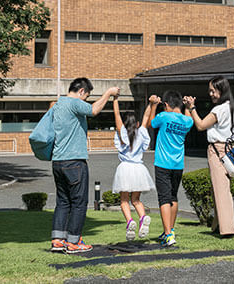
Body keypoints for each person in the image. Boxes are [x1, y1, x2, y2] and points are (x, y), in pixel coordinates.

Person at [50, 78, 120, 254]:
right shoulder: (74, 103)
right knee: (79, 203)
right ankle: (73, 242)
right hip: (74, 161)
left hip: (58, 161)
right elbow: (94, 110)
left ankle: (58, 240)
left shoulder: (58, 104)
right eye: (86, 96)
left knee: (63, 202)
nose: (86, 100)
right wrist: (109, 93)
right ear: (81, 91)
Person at [184, 76, 234, 238]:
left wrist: (191, 108)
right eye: (210, 91)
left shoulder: (219, 109)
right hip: (229, 149)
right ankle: (218, 225)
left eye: (213, 91)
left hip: (217, 150)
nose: (211, 94)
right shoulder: (230, 107)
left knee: (221, 190)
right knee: (220, 189)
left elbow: (201, 125)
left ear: (221, 91)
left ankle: (229, 230)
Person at [111, 94, 157, 241]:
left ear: (124, 124)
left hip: (125, 169)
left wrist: (115, 99)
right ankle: (143, 217)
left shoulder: (122, 132)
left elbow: (116, 114)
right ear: (136, 124)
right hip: (138, 169)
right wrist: (150, 104)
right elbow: (145, 118)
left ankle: (130, 221)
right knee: (136, 200)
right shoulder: (142, 132)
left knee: (124, 200)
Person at [151, 90, 193, 247]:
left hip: (163, 163)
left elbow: (150, 123)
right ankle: (170, 230)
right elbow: (188, 116)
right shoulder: (187, 122)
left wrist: (153, 105)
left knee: (164, 198)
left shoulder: (163, 117)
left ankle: (168, 234)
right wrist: (189, 106)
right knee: (173, 197)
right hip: (178, 164)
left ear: (166, 105)